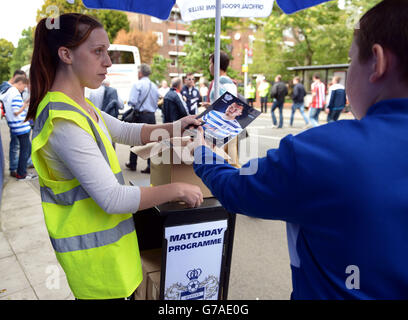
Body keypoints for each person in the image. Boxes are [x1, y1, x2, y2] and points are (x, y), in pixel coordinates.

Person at [192, 0, 408, 299]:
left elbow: (236, 190)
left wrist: (201, 152)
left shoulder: (324, 152)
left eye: (349, 60)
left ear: (377, 61)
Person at [27, 13, 203, 300]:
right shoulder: (63, 120)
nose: (108, 61)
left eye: (107, 51)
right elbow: (112, 198)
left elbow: (125, 131)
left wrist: (174, 127)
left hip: (114, 254)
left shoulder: (79, 105)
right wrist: (176, 189)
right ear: (65, 54)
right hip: (98, 268)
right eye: (98, 52)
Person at [126, 63, 159, 174]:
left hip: (140, 115)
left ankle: (133, 163)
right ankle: (150, 166)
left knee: (135, 138)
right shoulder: (154, 86)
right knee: (151, 141)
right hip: (151, 115)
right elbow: (156, 102)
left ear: (140, 73)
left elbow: (132, 101)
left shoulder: (137, 85)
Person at [3, 76, 35, 180]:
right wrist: (25, 105)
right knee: (25, 151)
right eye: (24, 87)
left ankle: (21, 171)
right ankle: (22, 174)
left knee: (25, 149)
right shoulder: (15, 93)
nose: (23, 89)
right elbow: (16, 111)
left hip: (14, 126)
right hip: (21, 127)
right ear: (20, 83)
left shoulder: (6, 93)